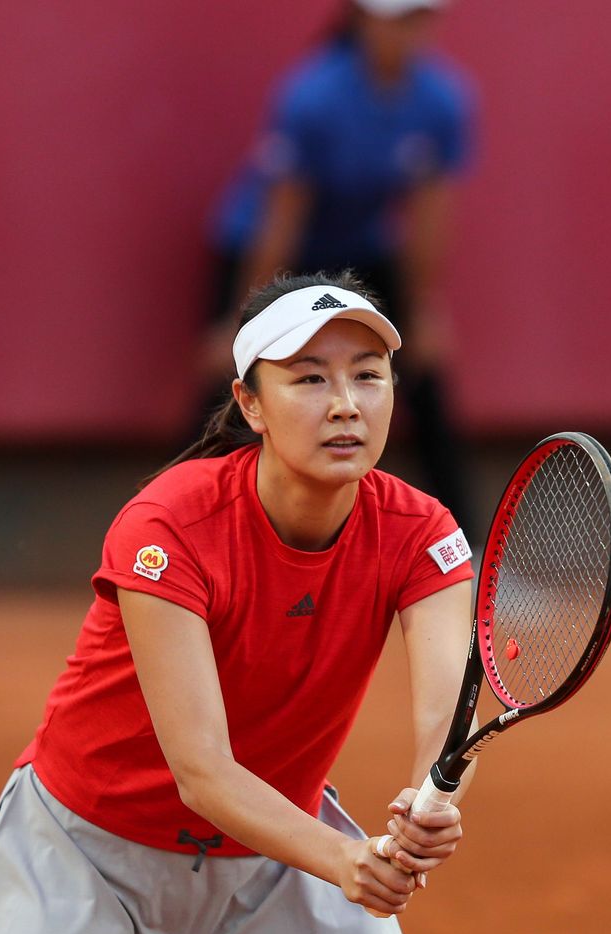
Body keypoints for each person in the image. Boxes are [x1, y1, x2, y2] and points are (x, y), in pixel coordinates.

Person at [0, 272, 475, 934]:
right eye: (310, 379)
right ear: (251, 404)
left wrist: (429, 800)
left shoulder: (421, 531)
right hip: (85, 854)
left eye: (367, 376)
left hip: (271, 864)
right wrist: (347, 862)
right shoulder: (169, 526)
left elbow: (448, 705)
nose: (346, 403)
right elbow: (202, 771)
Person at [205, 0, 478, 535]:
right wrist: (242, 320)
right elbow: (282, 217)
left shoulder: (443, 100)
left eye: (420, 18)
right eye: (396, 19)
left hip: (363, 253)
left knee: (421, 379)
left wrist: (421, 309)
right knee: (234, 383)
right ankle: (171, 525)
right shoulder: (313, 96)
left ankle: (466, 546)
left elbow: (428, 218)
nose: (408, 33)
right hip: (273, 249)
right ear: (361, 19)